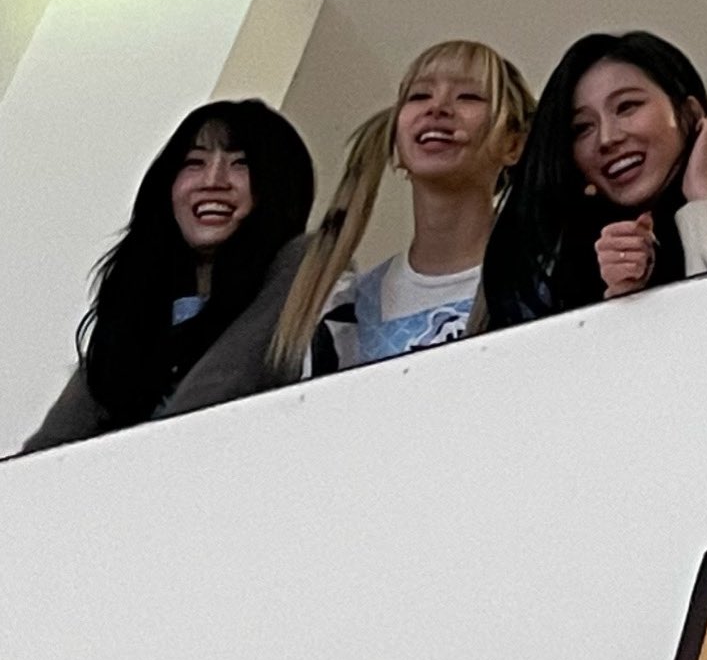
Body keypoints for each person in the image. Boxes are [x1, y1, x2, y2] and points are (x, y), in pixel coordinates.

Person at [161, 40, 534, 405]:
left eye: (468, 97)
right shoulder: (343, 304)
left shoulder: (538, 284)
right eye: (419, 96)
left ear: (513, 145)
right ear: (396, 145)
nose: (437, 108)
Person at [21, 99, 316, 451]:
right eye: (193, 162)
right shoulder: (140, 309)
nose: (213, 181)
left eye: (241, 163)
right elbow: (46, 452)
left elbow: (218, 394)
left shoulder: (303, 265)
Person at [479, 33, 707, 326]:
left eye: (627, 107)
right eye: (582, 128)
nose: (607, 138)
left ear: (691, 113)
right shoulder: (555, 260)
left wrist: (703, 200)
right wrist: (623, 303)